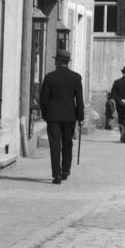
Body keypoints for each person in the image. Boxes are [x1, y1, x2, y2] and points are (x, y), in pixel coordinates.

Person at [39, 50, 84, 184]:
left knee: (54, 145)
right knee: (67, 143)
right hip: (69, 116)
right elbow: (79, 100)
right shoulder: (76, 77)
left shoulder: (50, 77)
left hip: (53, 116)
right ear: (67, 62)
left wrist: (45, 114)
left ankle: (56, 175)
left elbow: (43, 99)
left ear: (58, 61)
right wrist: (80, 116)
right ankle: (65, 170)